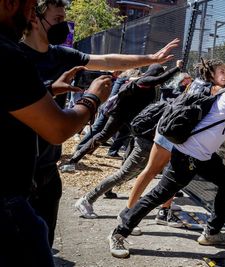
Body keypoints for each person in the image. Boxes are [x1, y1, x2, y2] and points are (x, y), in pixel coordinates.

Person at [19, 0, 179, 248]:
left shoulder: (62, 55)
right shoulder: (14, 57)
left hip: (47, 167)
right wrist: (90, 99)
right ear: (33, 18)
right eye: (59, 20)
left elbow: (106, 60)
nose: (65, 26)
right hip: (15, 172)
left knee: (43, 244)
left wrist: (151, 58)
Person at [107, 58, 225, 258]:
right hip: (188, 156)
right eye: (223, 71)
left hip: (203, 156)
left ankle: (211, 233)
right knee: (158, 195)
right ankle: (119, 233)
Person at [0, 1, 113, 265]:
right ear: (10, 3)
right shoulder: (8, 54)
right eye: (29, 8)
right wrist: (92, 99)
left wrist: (48, 90)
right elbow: (58, 129)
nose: (30, 17)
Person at [74, 71, 193, 231]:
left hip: (150, 139)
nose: (189, 82)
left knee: (132, 174)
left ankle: (163, 207)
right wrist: (176, 71)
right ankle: (87, 200)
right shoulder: (172, 92)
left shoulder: (171, 92)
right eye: (187, 80)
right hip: (146, 140)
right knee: (124, 174)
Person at [62, 61, 182, 172]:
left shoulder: (148, 83)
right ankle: (75, 158)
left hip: (131, 118)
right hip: (119, 115)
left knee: (134, 139)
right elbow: (160, 79)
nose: (159, 76)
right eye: (159, 73)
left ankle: (124, 169)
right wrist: (177, 68)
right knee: (103, 135)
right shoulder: (144, 81)